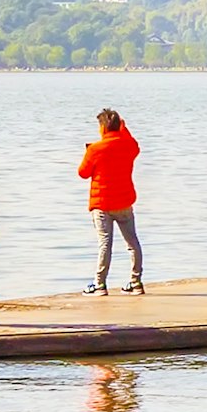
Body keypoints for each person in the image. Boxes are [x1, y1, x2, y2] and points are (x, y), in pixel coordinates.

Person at [78, 108, 145, 294]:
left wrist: (89, 154)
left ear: (103, 128)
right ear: (119, 126)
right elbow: (134, 143)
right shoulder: (128, 146)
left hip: (102, 204)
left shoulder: (95, 149)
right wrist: (123, 127)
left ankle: (99, 284)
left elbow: (82, 173)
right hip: (124, 202)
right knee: (132, 242)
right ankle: (136, 282)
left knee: (105, 244)